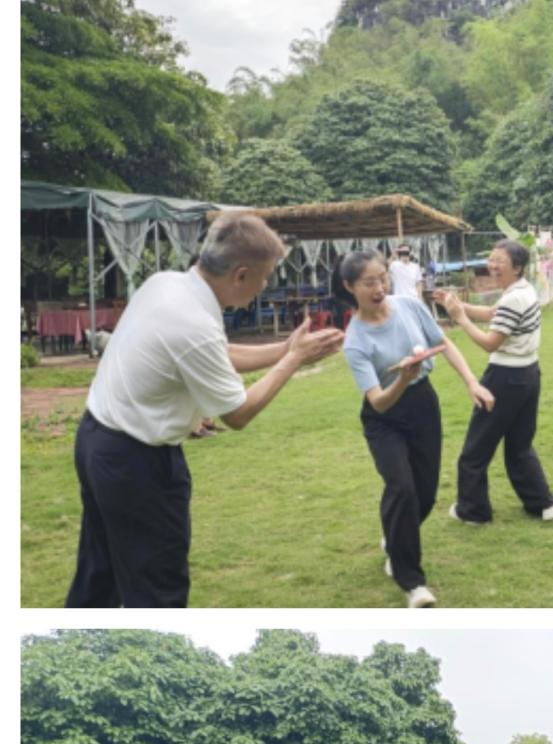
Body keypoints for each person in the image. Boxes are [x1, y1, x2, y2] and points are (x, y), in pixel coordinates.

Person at [65, 212, 345, 608]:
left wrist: (285, 348)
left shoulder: (166, 284)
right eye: (265, 277)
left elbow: (216, 354)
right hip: (135, 462)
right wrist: (293, 360)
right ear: (241, 275)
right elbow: (237, 413)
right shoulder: (192, 321)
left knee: (99, 572)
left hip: (98, 440)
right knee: (157, 589)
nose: (265, 286)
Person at [341, 249, 494, 609]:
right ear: (350, 287)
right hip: (384, 417)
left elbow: (443, 344)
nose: (379, 288)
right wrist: (402, 378)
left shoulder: (409, 306)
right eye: (368, 282)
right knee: (402, 488)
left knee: (424, 493)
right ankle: (412, 582)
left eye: (383, 278)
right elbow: (378, 401)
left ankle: (395, 539)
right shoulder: (355, 340)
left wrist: (471, 382)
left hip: (423, 404)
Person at [436, 240, 553, 526]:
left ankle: (473, 511)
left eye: (499, 261)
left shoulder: (513, 298)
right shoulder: (522, 290)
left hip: (505, 379)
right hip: (528, 374)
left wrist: (459, 319)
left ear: (516, 267)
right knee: (519, 446)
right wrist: (455, 305)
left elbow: (490, 343)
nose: (492, 265)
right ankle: (543, 504)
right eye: (491, 259)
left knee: (475, 450)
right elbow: (492, 313)